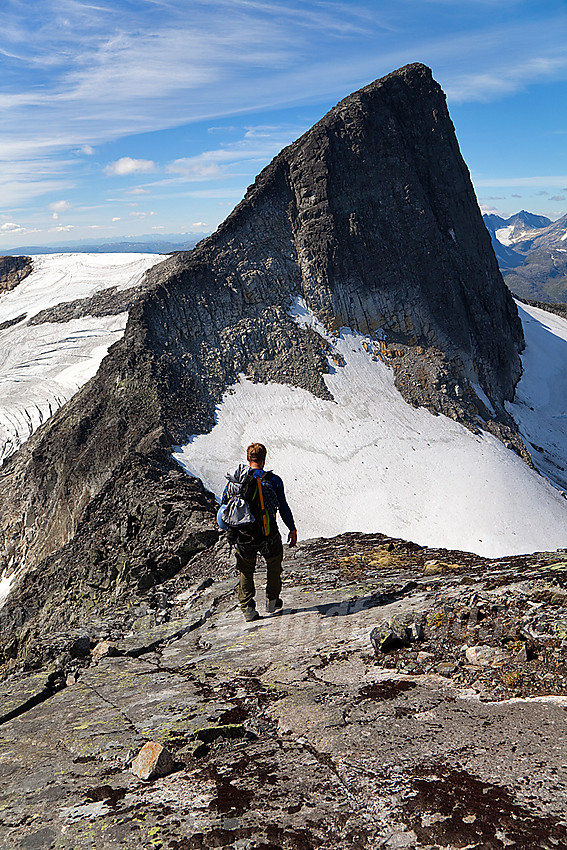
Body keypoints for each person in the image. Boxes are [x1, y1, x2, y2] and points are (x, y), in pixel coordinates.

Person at [222, 442, 297, 622]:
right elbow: (283, 507)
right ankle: (272, 601)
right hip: (268, 532)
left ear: (248, 458)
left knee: (246, 571)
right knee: (274, 564)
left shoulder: (236, 483)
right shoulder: (273, 480)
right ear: (264, 459)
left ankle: (248, 609)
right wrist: (292, 528)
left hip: (244, 535)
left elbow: (223, 507)